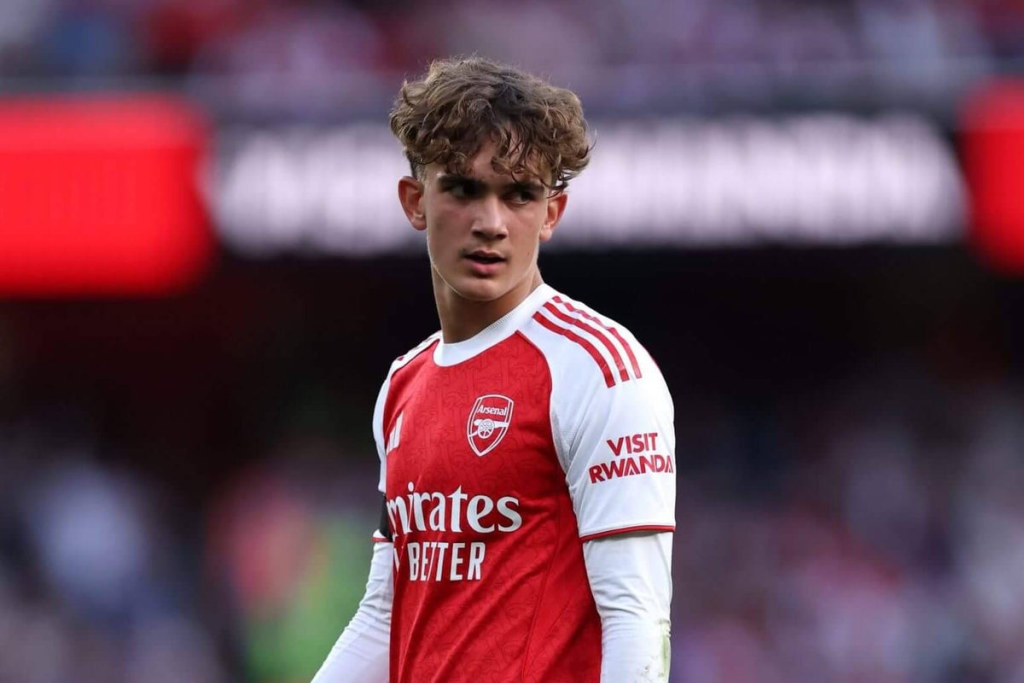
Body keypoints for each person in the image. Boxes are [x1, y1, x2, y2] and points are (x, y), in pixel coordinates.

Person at [312, 56, 676, 683]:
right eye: (464, 189)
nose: (491, 223)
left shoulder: (600, 370)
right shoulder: (403, 384)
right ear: (415, 201)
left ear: (551, 214)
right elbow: (386, 612)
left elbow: (637, 620)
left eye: (520, 195)